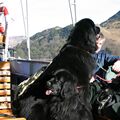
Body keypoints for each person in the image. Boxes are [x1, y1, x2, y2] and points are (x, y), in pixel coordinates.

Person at [90, 26, 120, 120]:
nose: (98, 46)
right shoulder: (84, 55)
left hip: (104, 86)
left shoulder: (102, 55)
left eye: (101, 43)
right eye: (96, 43)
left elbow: (114, 58)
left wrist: (119, 61)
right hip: (92, 87)